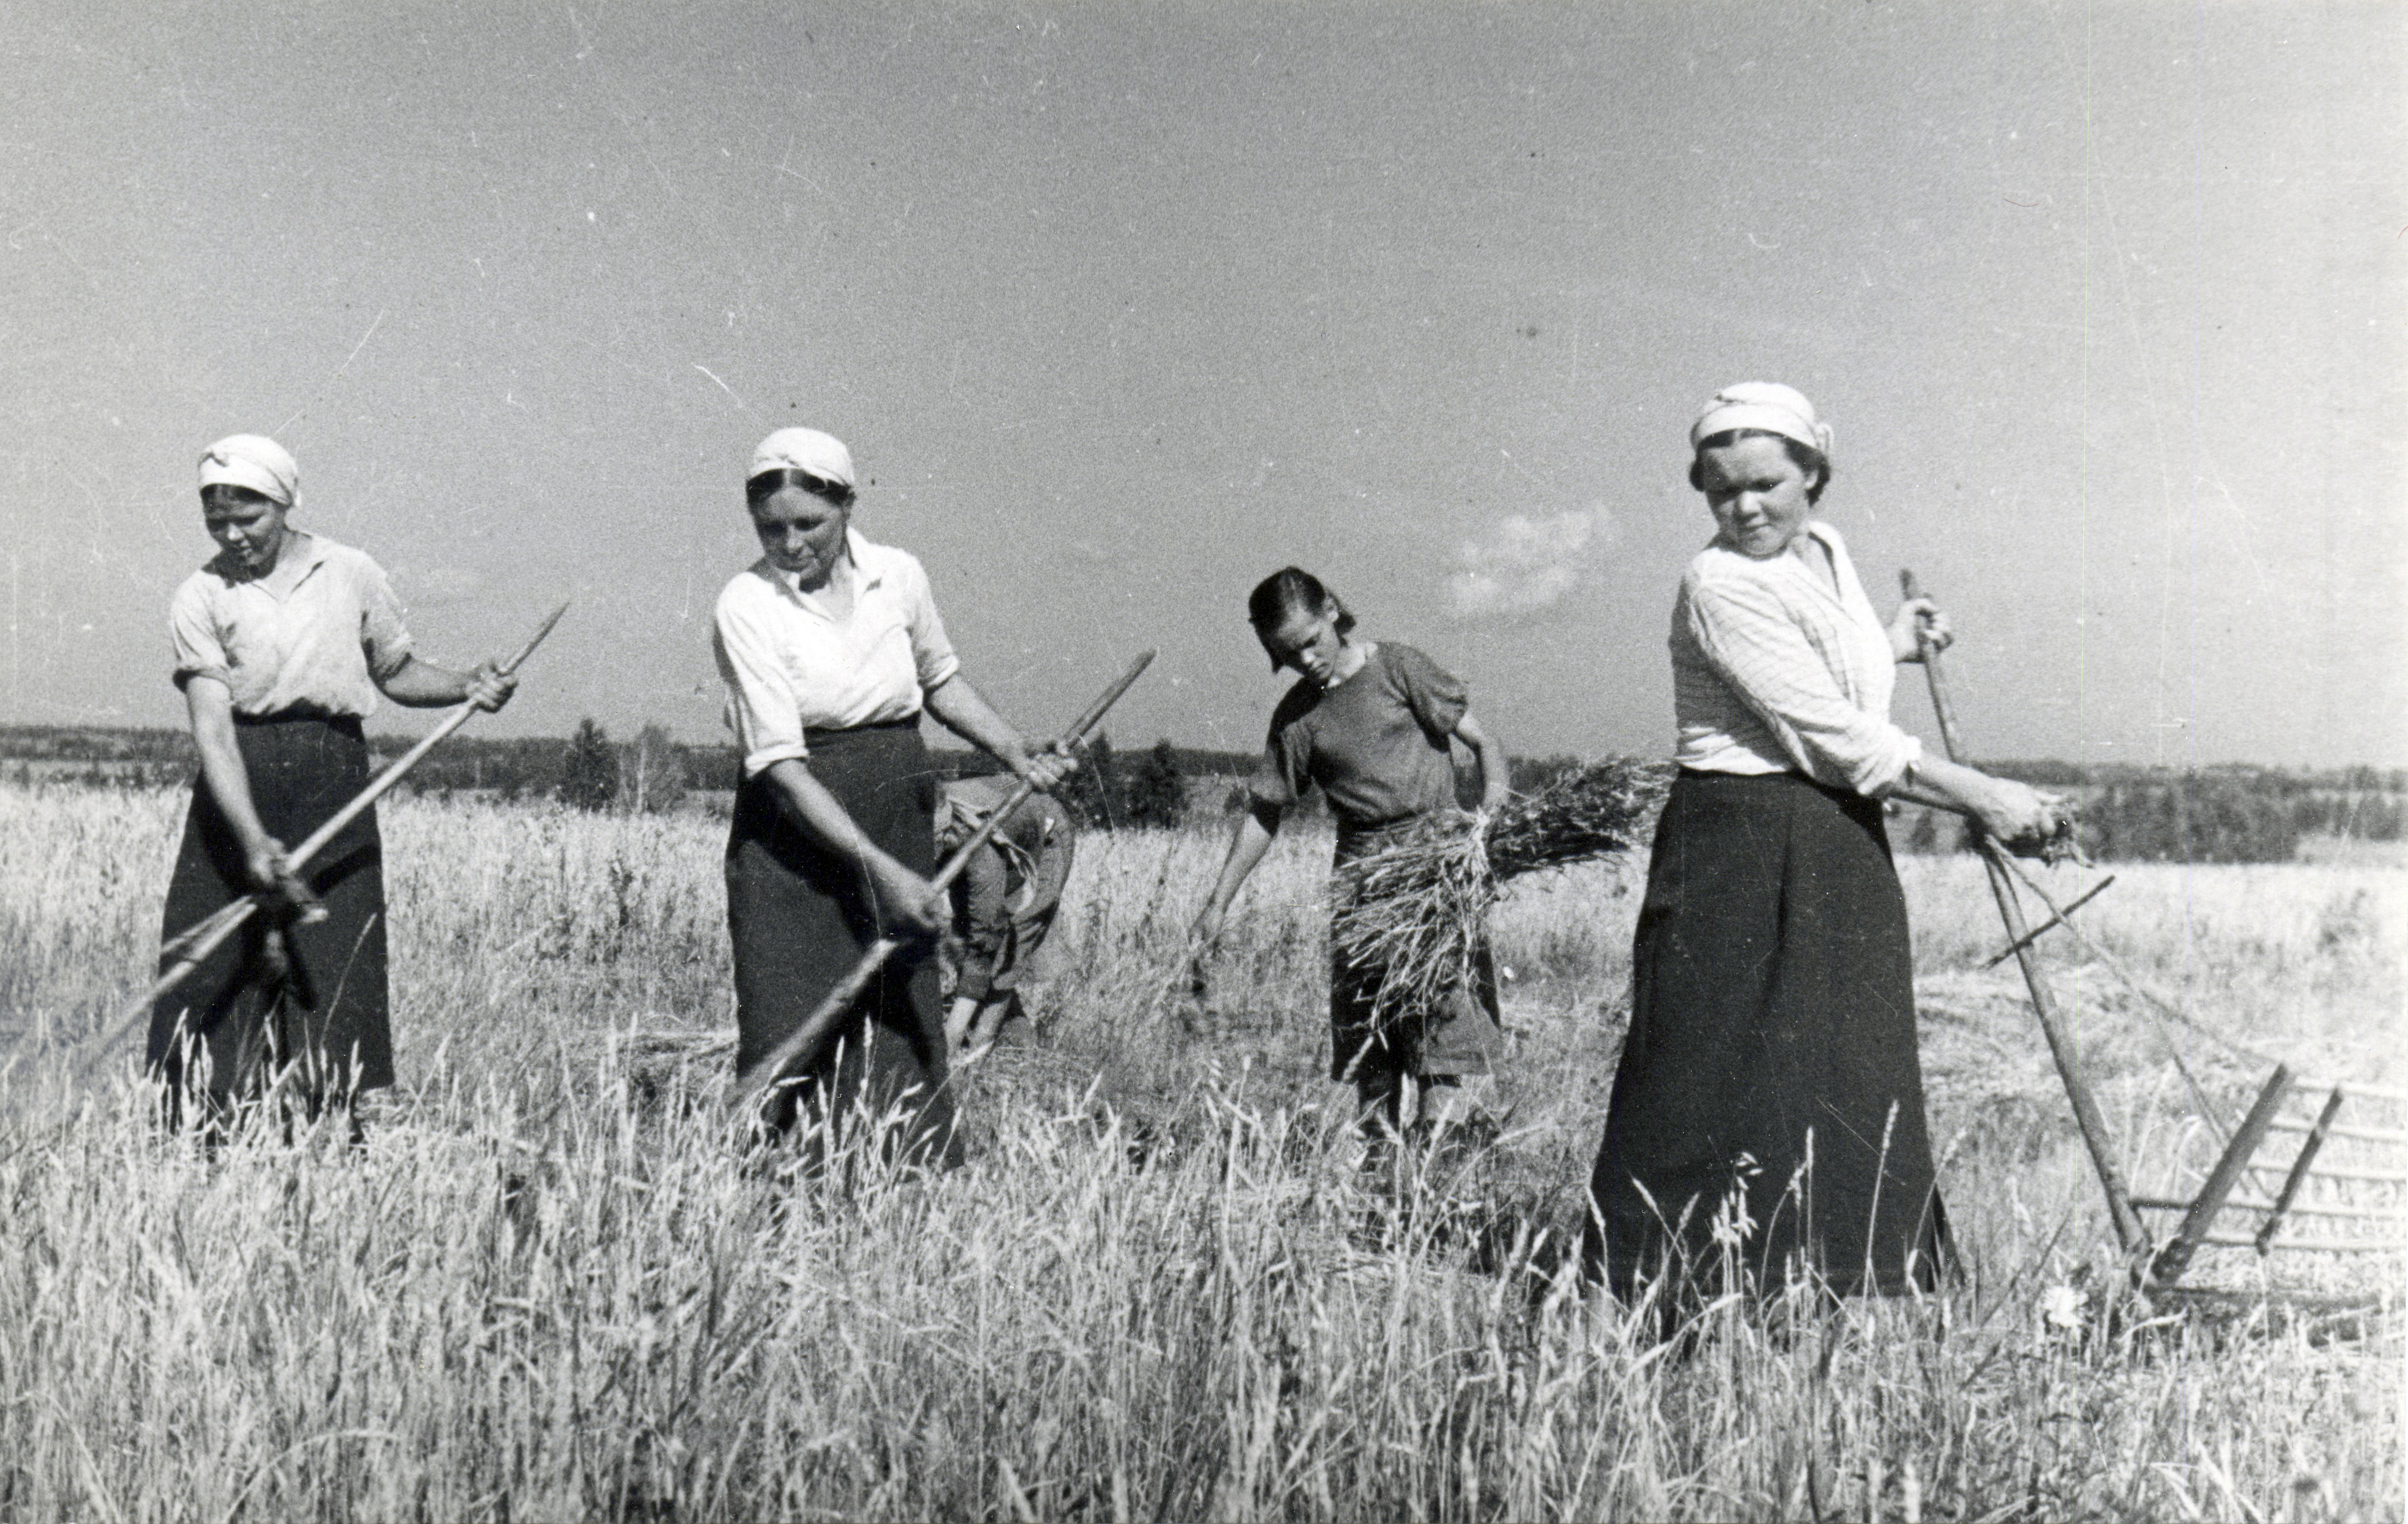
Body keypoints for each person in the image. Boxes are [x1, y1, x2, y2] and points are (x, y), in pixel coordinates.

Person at [1581, 383, 2066, 1301]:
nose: (1745, 508)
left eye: (1765, 483)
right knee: (1708, 1066)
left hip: (1837, 836)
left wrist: (1892, 642)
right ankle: (1663, 1290)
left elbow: (1836, 674)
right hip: (1738, 838)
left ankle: (1844, 1279)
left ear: (1814, 474)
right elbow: (1833, 738)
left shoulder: (1827, 552)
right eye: (1720, 491)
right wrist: (1982, 797)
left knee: (1847, 1061)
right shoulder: (1717, 582)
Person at [713, 426, 1072, 1165]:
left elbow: (940, 680)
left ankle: (898, 1172)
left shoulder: (899, 576)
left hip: (894, 810)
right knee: (795, 1002)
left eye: (807, 524)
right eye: (770, 527)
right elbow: (780, 767)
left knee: (896, 1006)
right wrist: (883, 871)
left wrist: (1014, 748)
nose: (789, 543)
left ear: (847, 505)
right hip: (796, 833)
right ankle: (784, 1178)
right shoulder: (746, 604)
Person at [151, 433, 516, 1138]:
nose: (232, 535)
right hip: (238, 786)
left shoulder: (350, 572)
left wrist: (467, 684)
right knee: (215, 960)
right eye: (216, 521)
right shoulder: (199, 595)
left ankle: (337, 1126)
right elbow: (214, 730)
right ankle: (202, 1130)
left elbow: (398, 669)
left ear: (284, 504)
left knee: (337, 951)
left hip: (332, 774)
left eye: (248, 519)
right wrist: (251, 838)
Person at [1192, 568, 1511, 1141]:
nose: (1307, 660)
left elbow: (1485, 745)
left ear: (1333, 611)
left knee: (1440, 1030)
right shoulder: (1297, 719)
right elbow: (1266, 812)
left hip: (1434, 869)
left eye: (1311, 641)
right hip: (1362, 881)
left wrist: (1487, 831)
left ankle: (1433, 1168)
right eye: (1289, 654)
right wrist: (1218, 901)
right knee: (1374, 1038)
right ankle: (1379, 1173)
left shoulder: (1399, 669)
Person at [934, 773, 1076, 1058]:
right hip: (998, 834)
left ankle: (975, 1056)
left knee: (1009, 948)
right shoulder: (916, 825)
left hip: (1046, 833)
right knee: (964, 937)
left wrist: (949, 1038)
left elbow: (988, 932)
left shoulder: (976, 845)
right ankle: (1024, 1047)